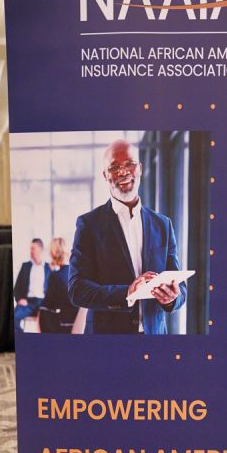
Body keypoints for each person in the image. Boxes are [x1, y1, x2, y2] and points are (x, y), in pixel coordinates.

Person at [68, 139, 186, 334]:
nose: (123, 172)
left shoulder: (163, 224)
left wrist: (172, 298)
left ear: (140, 169)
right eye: (114, 167)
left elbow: (181, 287)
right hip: (107, 340)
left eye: (130, 164)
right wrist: (127, 292)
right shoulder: (88, 224)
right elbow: (77, 289)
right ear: (105, 175)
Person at [39, 237, 79, 333]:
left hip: (65, 325)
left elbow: (48, 304)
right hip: (82, 325)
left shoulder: (55, 276)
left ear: (52, 254)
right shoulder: (78, 273)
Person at [13, 238, 51, 327]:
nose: (31, 251)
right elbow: (17, 288)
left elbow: (53, 290)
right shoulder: (25, 266)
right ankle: (21, 336)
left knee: (50, 323)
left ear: (40, 249)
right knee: (14, 317)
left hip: (44, 303)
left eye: (33, 248)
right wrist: (20, 299)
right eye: (30, 248)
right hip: (27, 302)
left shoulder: (49, 268)